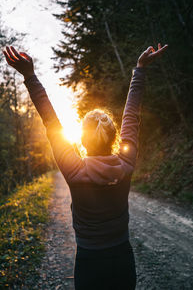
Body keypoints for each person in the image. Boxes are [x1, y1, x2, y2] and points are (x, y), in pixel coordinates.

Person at [3, 43, 168, 290]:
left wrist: (29, 76)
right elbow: (132, 115)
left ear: (81, 140)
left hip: (89, 261)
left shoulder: (74, 170)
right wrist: (140, 69)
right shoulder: (126, 163)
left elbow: (51, 122)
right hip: (122, 258)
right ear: (115, 139)